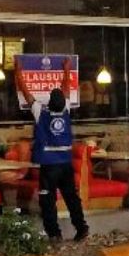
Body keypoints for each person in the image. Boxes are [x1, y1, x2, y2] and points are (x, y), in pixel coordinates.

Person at [31, 87, 88, 243]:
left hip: (49, 165)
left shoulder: (40, 114)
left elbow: (27, 94)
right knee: (71, 197)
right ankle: (81, 228)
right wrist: (67, 70)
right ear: (63, 103)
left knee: (48, 200)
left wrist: (18, 71)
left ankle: (54, 234)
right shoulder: (66, 112)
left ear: (49, 102)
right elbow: (67, 92)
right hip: (65, 164)